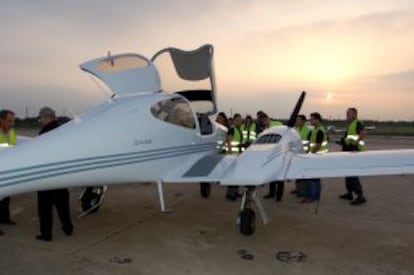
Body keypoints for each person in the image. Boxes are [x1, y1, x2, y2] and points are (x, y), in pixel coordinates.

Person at [36, 107, 74, 241]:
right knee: (63, 205)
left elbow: (40, 154)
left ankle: (46, 234)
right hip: (60, 176)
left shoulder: (45, 132)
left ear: (46, 117)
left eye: (41, 117)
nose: (40, 120)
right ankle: (68, 228)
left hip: (47, 177)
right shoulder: (62, 130)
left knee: (44, 208)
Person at [339, 107, 367, 205]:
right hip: (349, 151)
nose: (347, 115)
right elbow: (348, 137)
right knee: (348, 173)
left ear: (355, 114)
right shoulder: (351, 124)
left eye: (349, 113)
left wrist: (356, 142)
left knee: (352, 174)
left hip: (355, 151)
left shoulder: (357, 122)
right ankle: (349, 193)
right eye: (346, 113)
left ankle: (360, 196)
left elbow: (363, 132)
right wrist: (343, 141)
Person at [301, 112, 328, 203]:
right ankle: (315, 195)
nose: (310, 120)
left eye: (312, 119)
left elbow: (318, 145)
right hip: (316, 156)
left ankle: (312, 196)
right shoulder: (314, 130)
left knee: (313, 178)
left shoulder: (319, 130)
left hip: (317, 157)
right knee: (315, 178)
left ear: (317, 120)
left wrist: (311, 153)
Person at [259, 113, 285, 201]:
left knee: (279, 176)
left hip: (279, 154)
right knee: (271, 175)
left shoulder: (277, 124)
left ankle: (279, 196)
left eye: (263, 121)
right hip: (270, 155)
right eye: (261, 122)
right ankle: (271, 193)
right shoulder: (266, 129)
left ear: (267, 118)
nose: (263, 123)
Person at [0, 109, 17, 230]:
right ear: (1, 120)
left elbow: (13, 149)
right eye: (9, 121)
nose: (12, 124)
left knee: (6, 197)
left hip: (6, 169)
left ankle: (5, 218)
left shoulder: (11, 132)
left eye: (13, 121)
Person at [291, 114, 311, 197]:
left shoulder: (308, 130)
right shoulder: (296, 129)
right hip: (297, 155)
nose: (296, 121)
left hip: (305, 155)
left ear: (303, 121)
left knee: (303, 175)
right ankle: (298, 189)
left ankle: (303, 191)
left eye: (298, 120)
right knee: (297, 173)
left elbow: (310, 143)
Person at [225, 113, 243, 200]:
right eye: (237, 120)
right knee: (232, 176)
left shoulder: (238, 129)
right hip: (232, 156)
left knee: (236, 175)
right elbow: (228, 142)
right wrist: (230, 154)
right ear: (234, 120)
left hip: (238, 156)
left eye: (240, 120)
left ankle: (235, 192)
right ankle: (230, 195)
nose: (239, 122)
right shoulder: (232, 129)